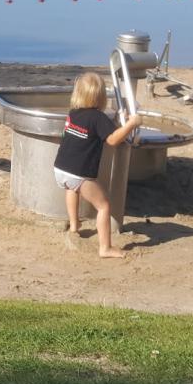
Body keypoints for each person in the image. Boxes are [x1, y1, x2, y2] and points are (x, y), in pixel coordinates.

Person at [52, 72, 142, 258]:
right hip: (79, 173)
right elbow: (112, 140)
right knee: (103, 206)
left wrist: (119, 121)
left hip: (60, 167)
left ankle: (74, 226)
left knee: (71, 189)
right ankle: (105, 248)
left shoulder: (74, 114)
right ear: (101, 97)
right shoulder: (98, 117)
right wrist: (131, 124)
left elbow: (100, 130)